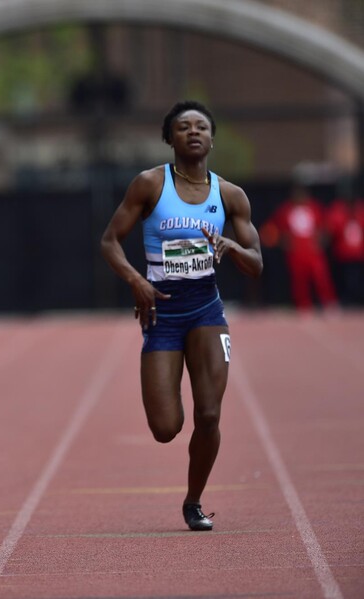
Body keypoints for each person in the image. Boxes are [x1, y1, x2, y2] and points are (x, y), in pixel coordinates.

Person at [100, 100, 263, 531]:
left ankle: (193, 502)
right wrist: (137, 281)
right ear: (169, 137)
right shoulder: (150, 185)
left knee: (209, 415)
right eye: (184, 127)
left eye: (201, 126)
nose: (193, 132)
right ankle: (178, 449)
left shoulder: (229, 195)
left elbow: (257, 262)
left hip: (207, 310)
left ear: (212, 137)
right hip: (163, 314)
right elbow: (110, 241)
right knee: (166, 427)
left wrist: (232, 247)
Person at [259, 182, 338, 313]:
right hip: (296, 251)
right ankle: (303, 305)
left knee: (321, 277)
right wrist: (282, 241)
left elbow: (326, 225)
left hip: (313, 250)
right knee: (299, 280)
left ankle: (328, 302)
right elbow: (272, 229)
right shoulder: (285, 210)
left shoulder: (315, 208)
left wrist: (322, 240)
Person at [325, 193, 364, 306]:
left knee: (358, 279)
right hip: (344, 254)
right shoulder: (339, 213)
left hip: (359, 254)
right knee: (346, 278)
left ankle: (358, 299)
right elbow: (332, 229)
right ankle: (347, 299)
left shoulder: (361, 214)